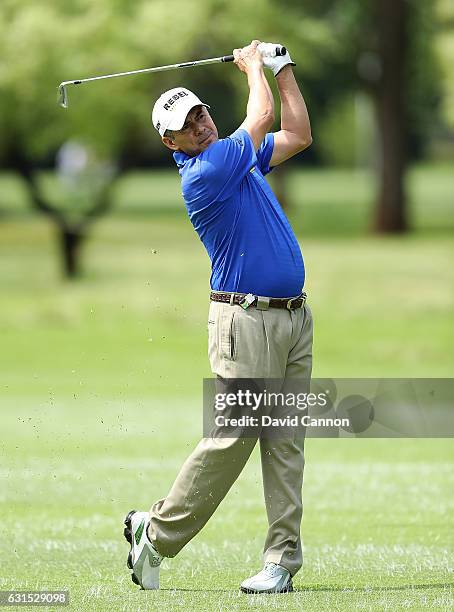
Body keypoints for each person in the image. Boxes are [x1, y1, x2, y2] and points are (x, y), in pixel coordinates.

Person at [123, 40, 313, 594]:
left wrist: (282, 72)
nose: (200, 124)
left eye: (201, 112)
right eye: (186, 123)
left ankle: (280, 563)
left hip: (292, 320)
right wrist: (254, 65)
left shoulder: (236, 155)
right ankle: (155, 534)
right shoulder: (205, 171)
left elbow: (297, 133)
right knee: (235, 435)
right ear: (171, 142)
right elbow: (260, 116)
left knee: (286, 441)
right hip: (244, 322)